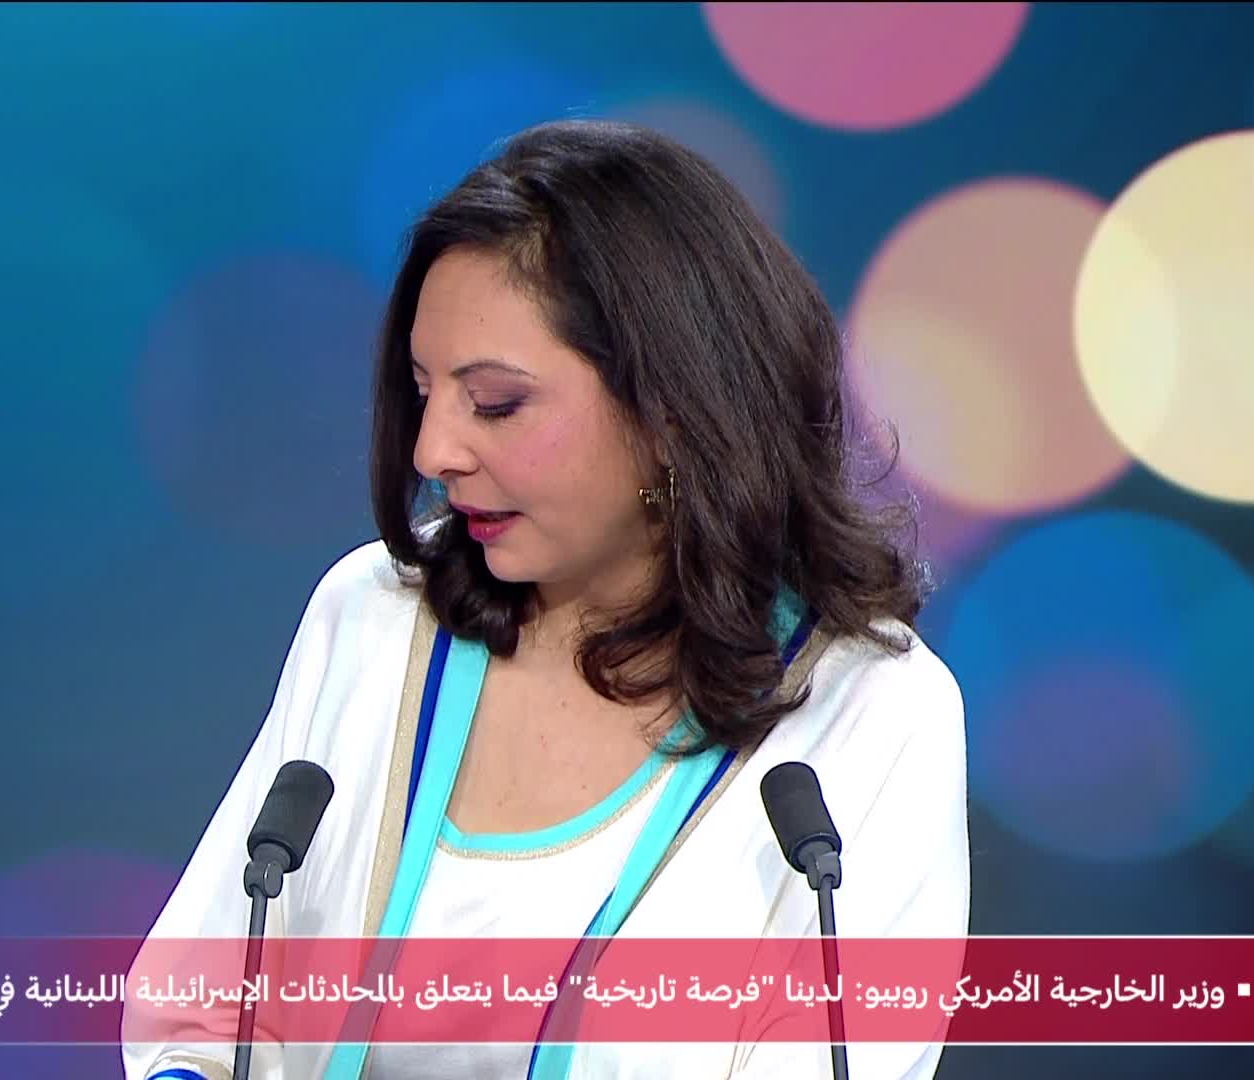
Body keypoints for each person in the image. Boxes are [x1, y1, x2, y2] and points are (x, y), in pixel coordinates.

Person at [122, 118, 970, 1080]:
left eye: (494, 403)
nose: (433, 452)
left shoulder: (873, 716)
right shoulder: (373, 616)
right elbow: (200, 1016)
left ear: (672, 410)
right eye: (421, 388)